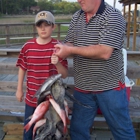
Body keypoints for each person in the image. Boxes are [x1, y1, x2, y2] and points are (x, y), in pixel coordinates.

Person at [54, 0, 136, 140]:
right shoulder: (77, 17)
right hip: (83, 88)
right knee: (78, 131)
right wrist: (60, 48)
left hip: (110, 88)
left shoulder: (113, 16)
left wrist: (70, 50)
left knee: (122, 131)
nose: (79, 0)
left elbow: (104, 52)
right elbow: (70, 42)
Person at [15, 11, 68, 140]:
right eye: (40, 25)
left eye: (47, 24)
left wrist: (57, 64)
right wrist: (19, 89)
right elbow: (22, 68)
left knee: (50, 133)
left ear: (53, 26)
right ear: (36, 27)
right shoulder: (27, 46)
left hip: (51, 102)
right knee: (29, 131)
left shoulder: (59, 47)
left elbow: (65, 75)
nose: (43, 28)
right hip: (31, 99)